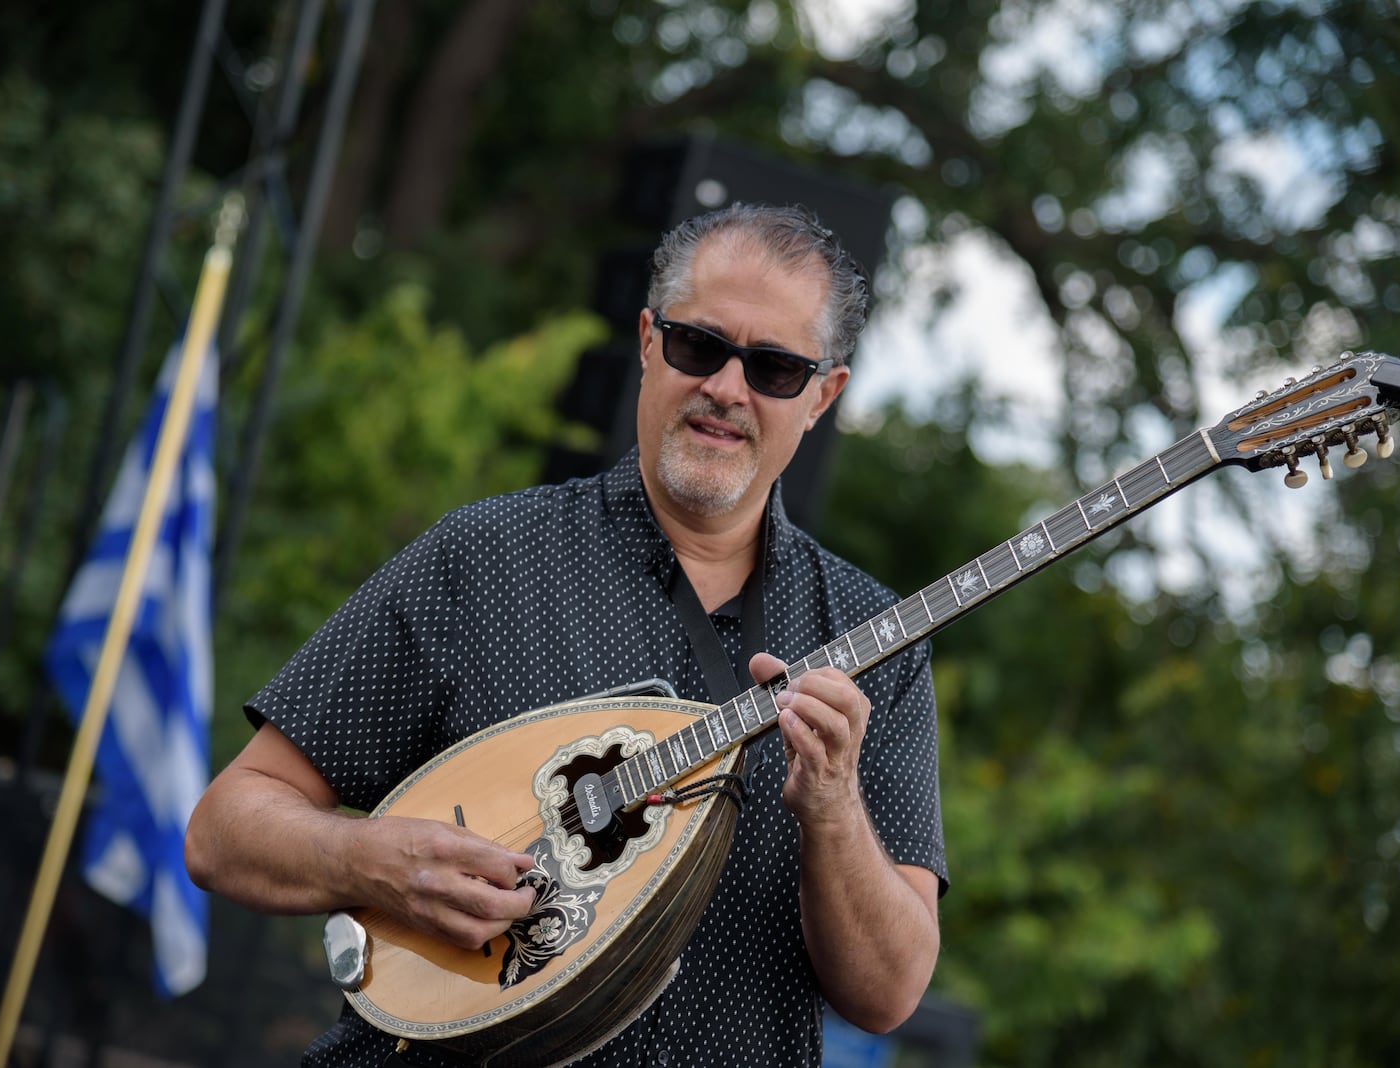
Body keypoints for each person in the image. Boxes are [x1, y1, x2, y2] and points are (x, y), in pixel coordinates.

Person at [185, 202, 946, 1067]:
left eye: (774, 368)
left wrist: (834, 805)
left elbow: (886, 993)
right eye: (701, 345)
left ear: (823, 396)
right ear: (650, 339)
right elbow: (226, 829)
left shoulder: (874, 640)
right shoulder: (484, 559)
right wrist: (375, 862)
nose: (728, 390)